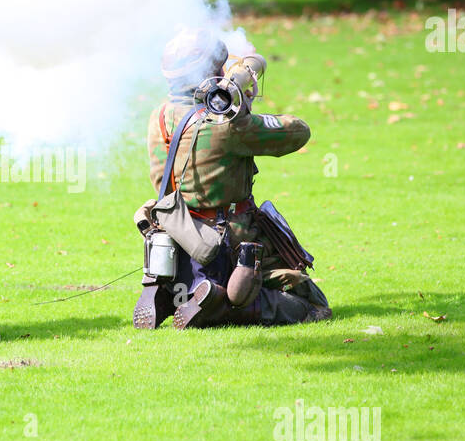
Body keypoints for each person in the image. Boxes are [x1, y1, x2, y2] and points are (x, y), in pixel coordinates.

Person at [134, 28, 331, 330]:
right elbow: (298, 131)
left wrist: (232, 98)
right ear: (209, 72)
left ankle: (178, 292)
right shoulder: (227, 124)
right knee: (314, 304)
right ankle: (223, 306)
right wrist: (243, 103)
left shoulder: (159, 115)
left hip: (179, 233)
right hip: (229, 237)